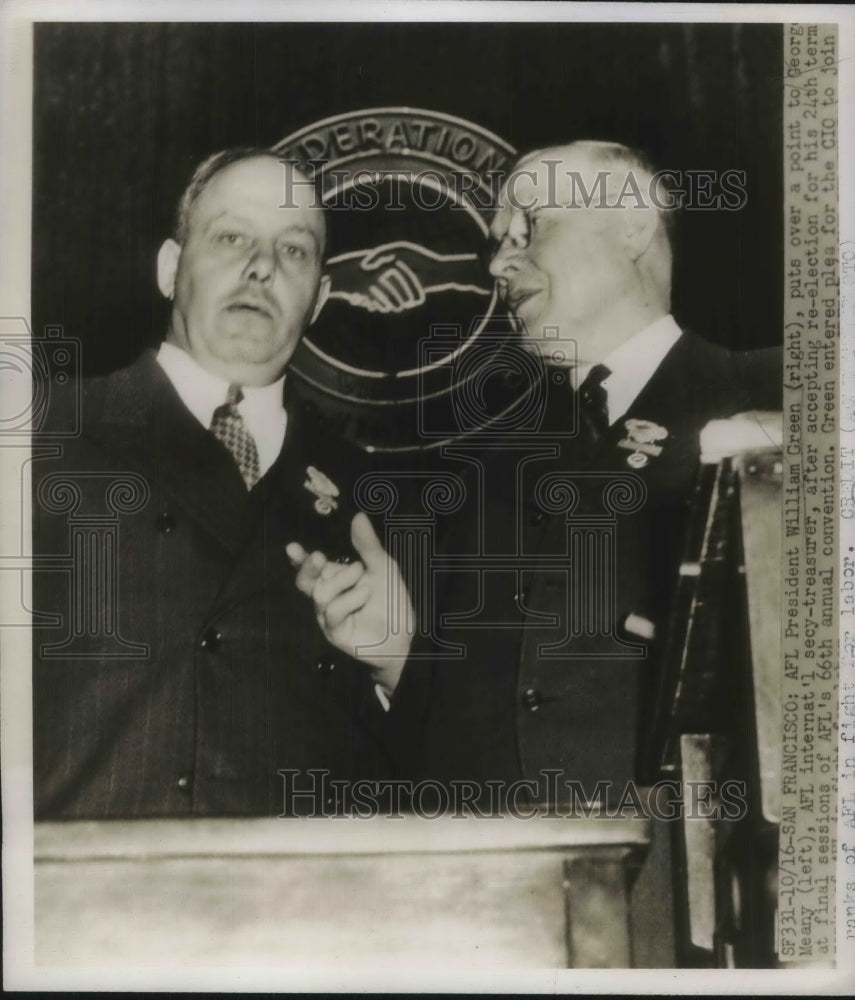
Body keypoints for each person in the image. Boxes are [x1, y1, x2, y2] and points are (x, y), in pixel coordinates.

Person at [297, 140, 780, 808]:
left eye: (531, 227)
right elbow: (448, 746)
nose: (500, 262)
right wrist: (397, 657)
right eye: (498, 241)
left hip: (694, 884)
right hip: (517, 890)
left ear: (632, 224)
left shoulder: (784, 397)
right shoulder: (484, 466)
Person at [32, 148, 411, 819]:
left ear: (319, 297)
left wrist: (397, 665)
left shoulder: (375, 497)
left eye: (294, 250)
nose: (261, 267)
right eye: (232, 237)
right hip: (80, 898)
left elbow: (434, 765)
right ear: (171, 268)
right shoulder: (40, 430)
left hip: (297, 908)